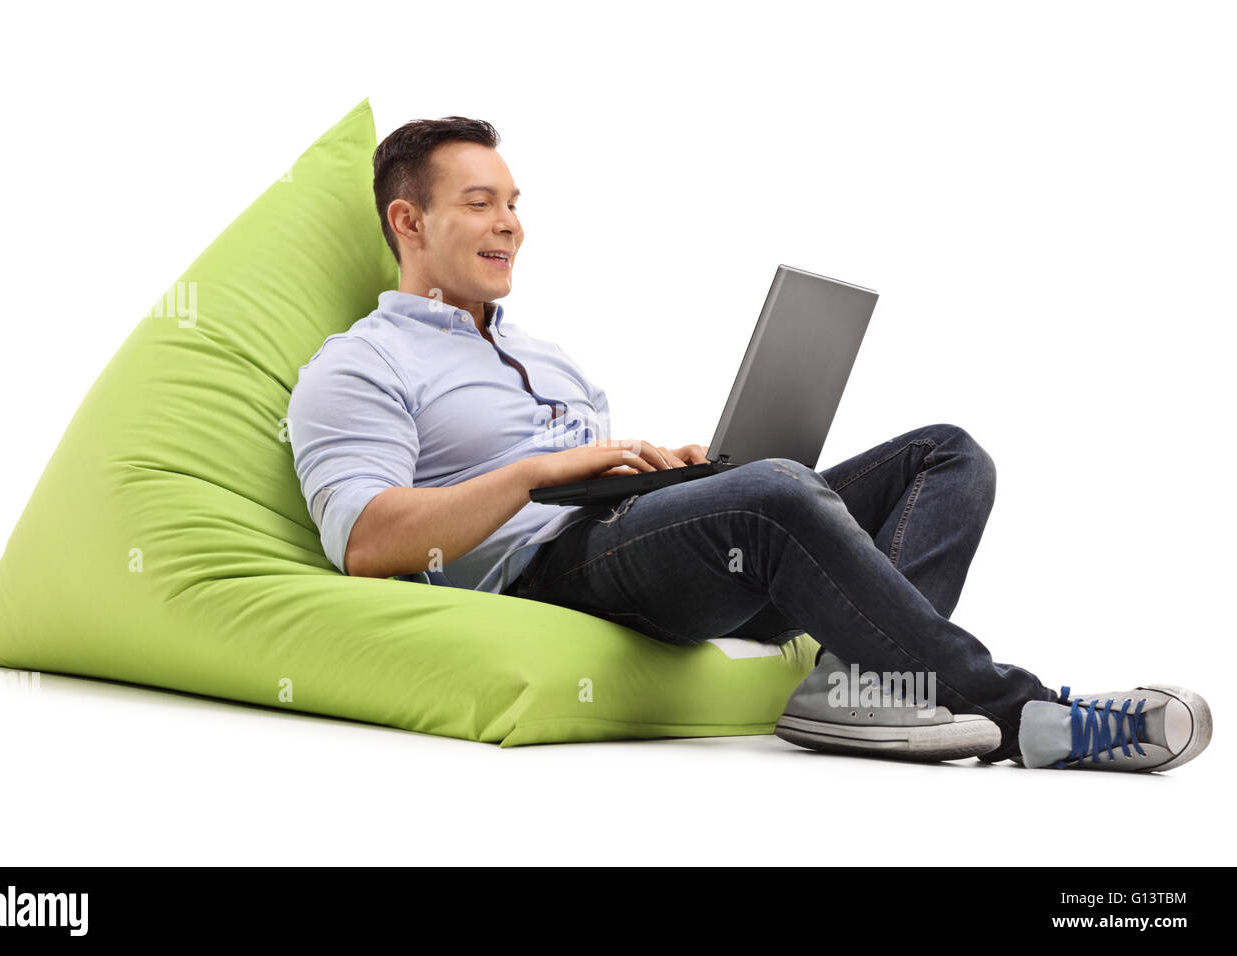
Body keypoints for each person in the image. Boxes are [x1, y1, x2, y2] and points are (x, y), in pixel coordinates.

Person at [286, 116, 1211, 773]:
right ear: (408, 222)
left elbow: (611, 496)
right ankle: (1026, 715)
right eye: (480, 203)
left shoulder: (544, 353)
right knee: (771, 492)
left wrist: (672, 477)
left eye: (515, 202)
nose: (510, 223)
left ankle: (854, 693)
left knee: (946, 454)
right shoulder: (360, 363)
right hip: (546, 574)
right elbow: (365, 540)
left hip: (635, 542)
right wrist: (537, 472)